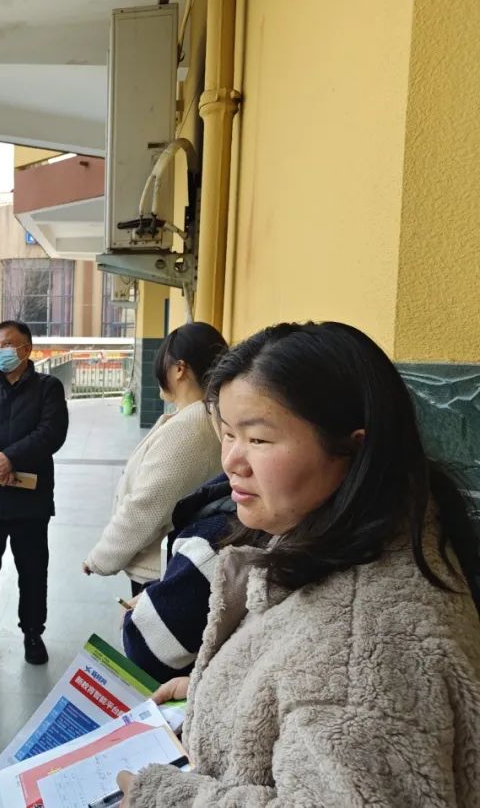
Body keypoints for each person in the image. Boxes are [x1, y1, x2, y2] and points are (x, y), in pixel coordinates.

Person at [118, 322, 480, 807]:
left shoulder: (362, 656)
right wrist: (219, 693)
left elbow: (342, 702)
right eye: (227, 434)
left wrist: (162, 799)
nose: (232, 461)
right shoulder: (364, 540)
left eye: (258, 439)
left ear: (352, 449)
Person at [83, 322, 227, 588]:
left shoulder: (189, 429)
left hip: (159, 572)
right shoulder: (206, 416)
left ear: (179, 369)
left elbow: (146, 507)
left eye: (163, 365)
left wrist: (100, 558)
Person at [0, 320, 69, 665]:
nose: (0, 351)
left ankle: (33, 632)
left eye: (7, 344)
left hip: (30, 501)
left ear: (26, 349)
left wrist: (11, 457)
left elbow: (51, 433)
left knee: (33, 570)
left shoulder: (48, 388)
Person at [120, 474, 235, 684]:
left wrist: (100, 560)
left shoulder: (216, 548)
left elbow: (145, 650)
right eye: (229, 438)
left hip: (154, 568)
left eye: (260, 443)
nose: (233, 461)